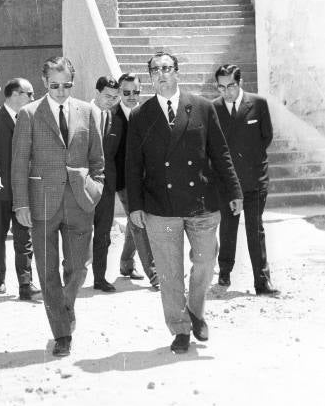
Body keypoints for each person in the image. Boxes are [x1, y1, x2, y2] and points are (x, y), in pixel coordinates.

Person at [126, 51, 243, 354]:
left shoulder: (202, 107)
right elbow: (132, 165)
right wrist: (135, 206)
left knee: (205, 261)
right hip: (160, 206)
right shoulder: (141, 115)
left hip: (201, 202)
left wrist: (235, 192)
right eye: (155, 70)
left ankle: (195, 311)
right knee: (169, 272)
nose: (161, 74)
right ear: (150, 76)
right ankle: (179, 329)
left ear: (177, 72)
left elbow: (221, 154)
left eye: (166, 68)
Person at [11, 56, 105, 357]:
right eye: (55, 86)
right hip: (42, 202)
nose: (61, 91)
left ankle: (66, 305)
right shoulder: (28, 114)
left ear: (73, 83)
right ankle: (62, 333)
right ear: (43, 83)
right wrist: (21, 203)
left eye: (67, 85)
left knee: (79, 267)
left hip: (80, 201)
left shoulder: (88, 111)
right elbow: (18, 164)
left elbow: (97, 160)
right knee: (48, 271)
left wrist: (95, 189)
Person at [213, 64, 280, 296]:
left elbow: (266, 137)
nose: (226, 92)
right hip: (229, 184)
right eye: (221, 87)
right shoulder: (214, 108)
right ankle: (224, 272)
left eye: (230, 85)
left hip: (255, 180)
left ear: (239, 82)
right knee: (228, 229)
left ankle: (262, 281)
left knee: (255, 228)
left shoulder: (258, 104)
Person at [0, 77, 39, 300]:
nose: (33, 98)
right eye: (29, 94)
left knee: (25, 238)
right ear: (15, 94)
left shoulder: (32, 118)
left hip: (24, 192)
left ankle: (26, 283)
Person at [116, 73, 158, 288]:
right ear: (119, 92)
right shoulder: (111, 117)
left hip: (146, 180)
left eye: (136, 92)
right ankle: (154, 273)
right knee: (140, 223)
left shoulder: (147, 114)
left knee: (136, 222)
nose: (132, 96)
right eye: (126, 92)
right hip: (123, 182)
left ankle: (125, 262)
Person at [90, 75, 127, 292]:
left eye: (114, 97)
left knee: (103, 234)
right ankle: (72, 275)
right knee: (78, 232)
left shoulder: (117, 120)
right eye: (107, 96)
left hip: (107, 185)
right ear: (97, 93)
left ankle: (99, 278)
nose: (110, 100)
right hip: (82, 184)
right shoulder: (80, 114)